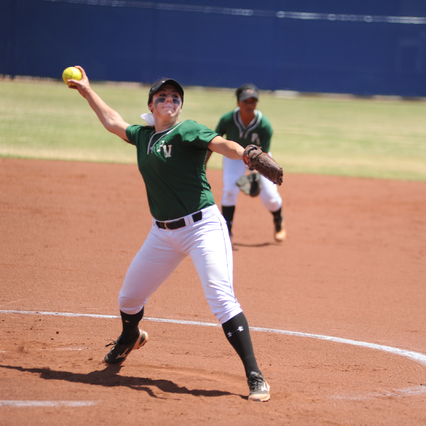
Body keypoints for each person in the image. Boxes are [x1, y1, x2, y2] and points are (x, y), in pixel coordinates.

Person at [67, 66, 270, 402]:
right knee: (129, 299)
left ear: (180, 107)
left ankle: (255, 375)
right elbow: (113, 122)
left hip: (203, 227)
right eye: (161, 96)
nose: (169, 99)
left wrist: (247, 153)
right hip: (162, 234)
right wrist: (87, 90)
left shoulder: (188, 130)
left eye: (175, 97)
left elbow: (223, 144)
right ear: (151, 106)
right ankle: (129, 338)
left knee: (221, 298)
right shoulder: (143, 136)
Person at [210, 84, 286, 242]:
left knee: (270, 196)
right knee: (229, 189)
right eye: (246, 101)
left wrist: (255, 173)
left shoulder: (264, 125)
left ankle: (278, 220)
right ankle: (227, 232)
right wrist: (202, 164)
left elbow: (263, 155)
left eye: (253, 101)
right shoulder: (227, 120)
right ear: (238, 102)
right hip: (234, 157)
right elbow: (212, 141)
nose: (249, 105)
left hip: (259, 159)